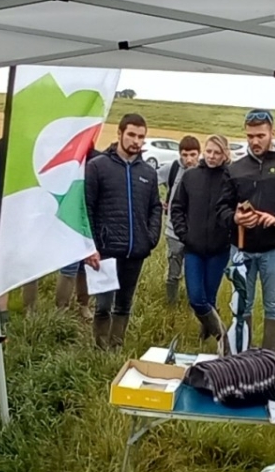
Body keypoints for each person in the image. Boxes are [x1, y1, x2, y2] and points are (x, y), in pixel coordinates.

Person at [218, 110, 275, 352]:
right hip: (242, 250)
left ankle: (269, 358)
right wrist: (235, 218)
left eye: (260, 135)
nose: (255, 141)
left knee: (273, 305)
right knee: (243, 305)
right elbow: (221, 209)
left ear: (272, 133)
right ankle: (244, 355)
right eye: (250, 136)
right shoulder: (235, 169)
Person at [81, 113, 164, 349]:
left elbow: (155, 207)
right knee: (103, 305)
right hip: (104, 251)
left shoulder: (148, 172)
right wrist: (90, 246)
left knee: (124, 305)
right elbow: (86, 207)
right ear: (119, 134)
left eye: (141, 137)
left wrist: (150, 238)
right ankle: (99, 347)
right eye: (131, 135)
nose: (136, 141)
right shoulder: (98, 167)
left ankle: (116, 347)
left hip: (135, 250)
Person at [169, 133, 236, 346]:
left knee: (209, 297)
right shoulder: (191, 177)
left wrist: (228, 235)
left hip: (219, 249)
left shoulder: (232, 179)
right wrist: (184, 234)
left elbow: (238, 210)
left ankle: (204, 339)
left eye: (217, 153)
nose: (212, 156)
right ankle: (221, 336)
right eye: (209, 152)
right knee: (196, 298)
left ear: (225, 154)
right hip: (194, 248)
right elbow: (177, 208)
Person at [0, 133, 39, 315]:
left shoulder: (29, 146)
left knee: (30, 262)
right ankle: (0, 312)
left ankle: (29, 309)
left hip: (27, 215)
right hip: (4, 216)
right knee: (2, 263)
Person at [162, 135, 201, 304]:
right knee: (173, 272)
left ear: (199, 154)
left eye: (193, 155)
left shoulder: (205, 172)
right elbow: (149, 180)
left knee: (194, 273)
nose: (189, 159)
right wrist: (156, 204)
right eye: (184, 155)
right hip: (173, 232)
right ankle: (171, 305)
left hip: (196, 233)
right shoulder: (172, 169)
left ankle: (194, 304)